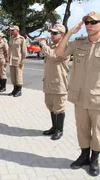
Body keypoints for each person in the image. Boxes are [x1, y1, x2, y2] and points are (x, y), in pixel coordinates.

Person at [55, 11, 100, 177]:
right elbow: (59, 53)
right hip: (79, 97)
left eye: (93, 22)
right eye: (86, 22)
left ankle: (94, 160)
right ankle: (83, 156)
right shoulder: (78, 42)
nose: (89, 25)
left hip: (97, 99)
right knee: (82, 130)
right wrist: (69, 33)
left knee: (97, 133)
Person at [38, 24, 70, 140]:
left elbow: (54, 56)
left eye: (54, 33)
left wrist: (43, 44)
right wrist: (43, 46)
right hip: (48, 82)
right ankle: (54, 127)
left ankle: (59, 130)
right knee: (50, 106)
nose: (51, 35)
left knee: (59, 107)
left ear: (61, 35)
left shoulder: (64, 46)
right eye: (51, 33)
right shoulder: (50, 46)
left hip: (58, 83)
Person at [8, 25, 27, 97]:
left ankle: (19, 91)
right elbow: (9, 49)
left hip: (18, 60)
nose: (11, 31)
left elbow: (24, 51)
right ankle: (14, 89)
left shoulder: (21, 39)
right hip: (11, 60)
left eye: (13, 30)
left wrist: (22, 61)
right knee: (13, 76)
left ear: (17, 31)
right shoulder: (11, 38)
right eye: (11, 30)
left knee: (18, 76)